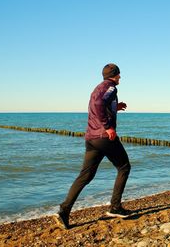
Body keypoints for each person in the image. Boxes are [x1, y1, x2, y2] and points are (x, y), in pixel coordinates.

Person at [54, 63, 131, 229]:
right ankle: (115, 207)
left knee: (85, 175)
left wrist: (115, 107)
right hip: (104, 137)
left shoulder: (99, 87)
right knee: (124, 167)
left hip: (91, 137)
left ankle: (64, 211)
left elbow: (98, 105)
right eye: (119, 75)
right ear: (115, 75)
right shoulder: (110, 87)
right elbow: (97, 105)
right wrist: (108, 127)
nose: (120, 77)